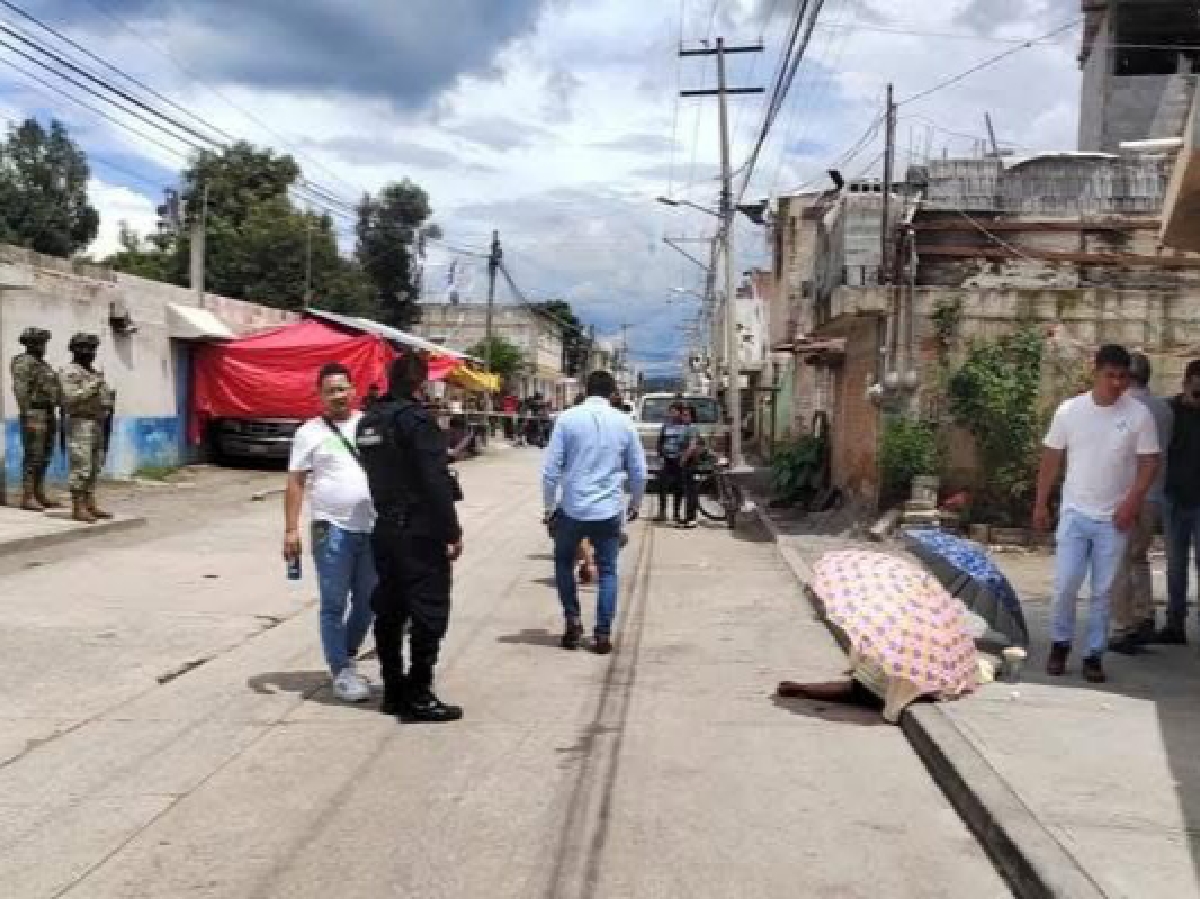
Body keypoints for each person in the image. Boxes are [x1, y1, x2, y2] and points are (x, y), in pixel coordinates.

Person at [1034, 344, 1160, 683]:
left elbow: (1149, 462)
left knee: (1103, 590)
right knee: (1065, 584)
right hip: (1075, 511)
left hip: (1114, 517)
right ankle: (1060, 644)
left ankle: (1094, 654)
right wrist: (1041, 502)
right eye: (1110, 376)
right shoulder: (1070, 411)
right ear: (1096, 372)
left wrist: (1132, 502)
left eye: (1122, 377)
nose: (1117, 383)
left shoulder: (1138, 415)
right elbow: (1050, 458)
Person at [357, 353, 465, 723]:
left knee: (389, 611)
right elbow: (434, 482)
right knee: (428, 612)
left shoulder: (369, 421)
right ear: (421, 383)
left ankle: (392, 690)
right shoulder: (419, 422)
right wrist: (451, 531)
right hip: (419, 532)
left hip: (384, 528)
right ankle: (419, 693)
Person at [284, 363, 377, 704]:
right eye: (331, 391)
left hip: (371, 527)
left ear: (354, 390)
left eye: (343, 388)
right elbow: (295, 481)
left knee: (370, 601)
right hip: (330, 526)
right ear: (320, 396)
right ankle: (341, 670)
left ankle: (346, 652)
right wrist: (291, 529)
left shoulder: (369, 425)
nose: (338, 395)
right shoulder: (309, 432)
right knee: (333, 603)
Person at [542, 369, 647, 653]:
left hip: (572, 508)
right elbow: (639, 470)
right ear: (613, 393)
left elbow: (550, 470)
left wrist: (549, 507)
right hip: (609, 510)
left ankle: (572, 620)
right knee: (609, 571)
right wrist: (635, 504)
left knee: (564, 564)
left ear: (586, 389)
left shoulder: (567, 419)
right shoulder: (624, 422)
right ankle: (602, 634)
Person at [1109, 353, 1173, 654]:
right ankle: (1145, 613)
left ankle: (1124, 625)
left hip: (1127, 495)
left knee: (1120, 562)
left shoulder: (1124, 409)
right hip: (1154, 495)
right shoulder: (1164, 409)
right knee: (1139, 557)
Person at [1153, 359, 1200, 645]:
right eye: (1196, 392)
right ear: (1185, 386)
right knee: (1175, 565)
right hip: (1174, 497)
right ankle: (1175, 623)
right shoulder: (1170, 411)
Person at [60, 333, 115, 524]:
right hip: (80, 422)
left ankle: (90, 503)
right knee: (81, 466)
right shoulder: (70, 372)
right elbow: (69, 399)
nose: (89, 352)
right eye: (84, 348)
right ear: (74, 350)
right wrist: (94, 385)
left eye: (92, 349)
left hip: (97, 423)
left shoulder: (92, 372)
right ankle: (78, 507)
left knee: (94, 465)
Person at [12, 327, 62, 511]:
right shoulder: (24, 362)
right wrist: (27, 414)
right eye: (39, 342)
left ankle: (39, 493)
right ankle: (28, 497)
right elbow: (20, 390)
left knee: (45, 455)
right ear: (29, 344)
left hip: (48, 412)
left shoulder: (43, 365)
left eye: (43, 343)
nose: (42, 346)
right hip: (34, 413)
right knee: (33, 456)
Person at [656, 403, 687, 523]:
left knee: (678, 488)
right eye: (670, 412)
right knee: (662, 487)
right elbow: (660, 441)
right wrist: (660, 454)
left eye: (674, 411)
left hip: (679, 461)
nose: (672, 414)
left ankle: (676, 514)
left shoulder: (685, 426)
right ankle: (662, 512)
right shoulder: (666, 426)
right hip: (667, 459)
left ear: (679, 413)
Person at [678, 405, 702, 529]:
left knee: (692, 492)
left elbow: (692, 446)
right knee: (687, 491)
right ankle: (688, 517)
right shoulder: (685, 428)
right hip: (686, 463)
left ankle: (692, 519)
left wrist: (683, 459)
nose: (684, 417)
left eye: (687, 415)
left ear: (692, 417)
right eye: (683, 414)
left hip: (691, 463)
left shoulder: (692, 428)